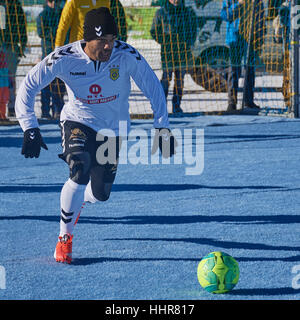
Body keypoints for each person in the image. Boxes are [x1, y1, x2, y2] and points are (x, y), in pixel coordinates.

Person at [15, 7, 176, 264]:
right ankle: (64, 239)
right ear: (87, 39)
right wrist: (29, 127)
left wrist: (162, 126)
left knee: (101, 194)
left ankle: (81, 200)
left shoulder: (127, 55)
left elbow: (152, 86)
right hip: (77, 120)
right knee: (79, 168)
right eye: (102, 41)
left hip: (112, 129)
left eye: (112, 40)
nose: (108, 46)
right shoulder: (64, 57)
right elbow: (29, 84)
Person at [150, 0, 197, 113]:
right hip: (168, 51)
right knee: (166, 77)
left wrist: (188, 42)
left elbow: (193, 30)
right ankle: (161, 106)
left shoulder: (187, 12)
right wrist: (164, 41)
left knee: (180, 79)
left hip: (183, 51)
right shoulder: (161, 12)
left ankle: (176, 105)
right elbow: (154, 30)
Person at [221, 0, 265, 111]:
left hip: (251, 38)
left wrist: (260, 36)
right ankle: (232, 102)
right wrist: (238, 4)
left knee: (250, 69)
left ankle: (248, 100)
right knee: (234, 70)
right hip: (235, 38)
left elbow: (261, 17)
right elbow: (225, 15)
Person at [37, 0, 66, 119]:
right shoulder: (43, 15)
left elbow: (65, 30)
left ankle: (58, 108)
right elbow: (42, 33)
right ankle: (45, 110)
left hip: (60, 52)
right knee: (46, 82)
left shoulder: (61, 14)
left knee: (59, 82)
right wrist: (58, 35)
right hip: (48, 53)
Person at [54, 0, 127, 48]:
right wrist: (58, 47)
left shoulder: (106, 1)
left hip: (100, 47)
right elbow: (63, 26)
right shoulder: (74, 1)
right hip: (80, 47)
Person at [0, 0, 27, 118]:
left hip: (11, 47)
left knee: (10, 78)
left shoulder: (16, 6)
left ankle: (11, 107)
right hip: (6, 46)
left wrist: (22, 45)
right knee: (7, 79)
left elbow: (22, 27)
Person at [0, 49, 9, 120]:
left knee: (3, 100)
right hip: (3, 84)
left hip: (4, 84)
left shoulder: (5, 63)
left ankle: (3, 115)